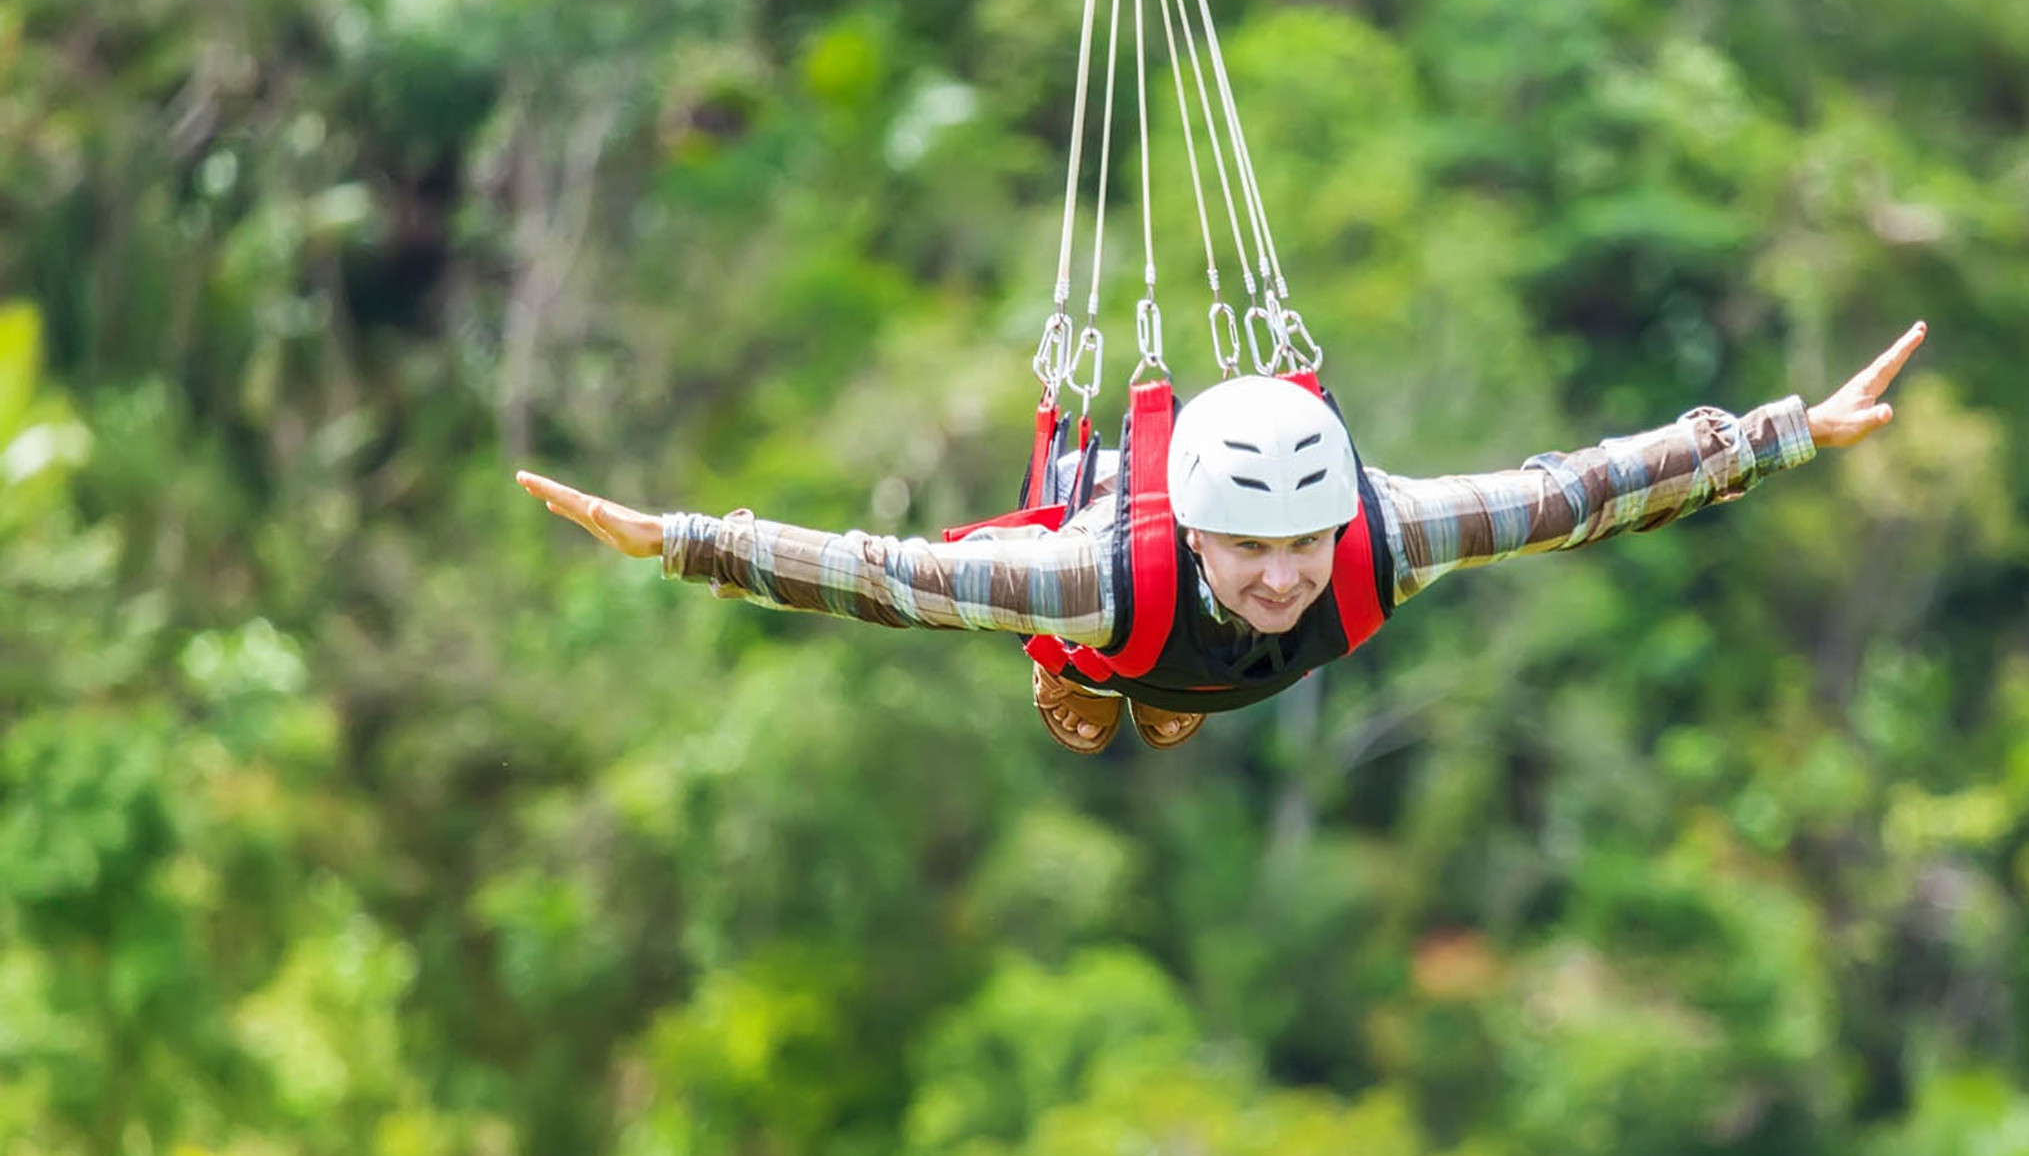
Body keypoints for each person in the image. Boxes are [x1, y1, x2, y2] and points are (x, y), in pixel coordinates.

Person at [517, 322, 1927, 752]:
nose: (1283, 574)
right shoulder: (1087, 571)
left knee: (1193, 680)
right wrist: (683, 540)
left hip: (1180, 652)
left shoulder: (1385, 537)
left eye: (1302, 545)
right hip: (1116, 634)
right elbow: (889, 576)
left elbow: (1583, 489)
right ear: (1194, 533)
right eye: (1251, 552)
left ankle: (1151, 700)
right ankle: (1095, 690)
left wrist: (1791, 427)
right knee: (1101, 685)